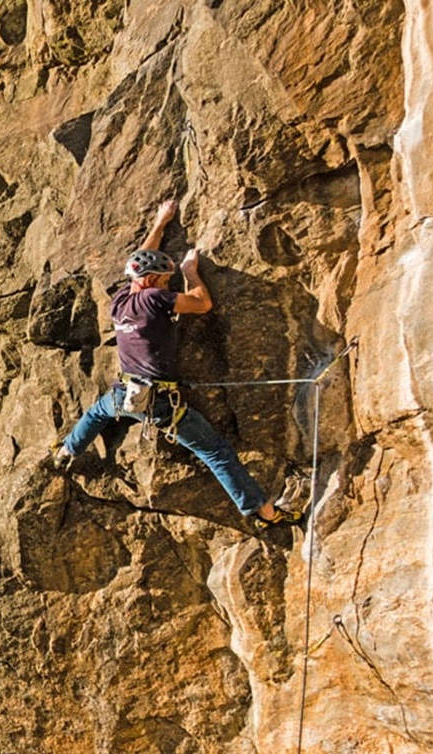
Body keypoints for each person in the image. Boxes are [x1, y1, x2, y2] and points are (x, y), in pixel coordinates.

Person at [54, 200, 302, 527]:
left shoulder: (120, 302)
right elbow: (202, 303)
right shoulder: (156, 299)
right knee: (215, 452)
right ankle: (264, 512)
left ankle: (67, 453)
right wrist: (189, 273)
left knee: (98, 413)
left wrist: (161, 222)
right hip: (160, 403)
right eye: (165, 279)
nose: (168, 284)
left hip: (125, 393)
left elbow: (136, 264)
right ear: (154, 279)